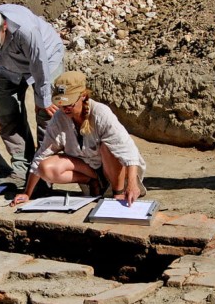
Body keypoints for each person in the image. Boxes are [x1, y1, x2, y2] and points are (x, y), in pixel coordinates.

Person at [0, 3, 65, 186]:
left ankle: (43, 171)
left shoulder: (26, 29)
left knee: (47, 116)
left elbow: (38, 63)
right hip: (8, 65)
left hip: (47, 61)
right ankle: (21, 169)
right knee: (6, 113)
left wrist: (43, 98)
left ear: (4, 27)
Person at [10, 71, 146, 207]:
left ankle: (118, 192)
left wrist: (133, 184)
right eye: (61, 104)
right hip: (88, 167)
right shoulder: (59, 118)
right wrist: (27, 193)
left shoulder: (101, 113)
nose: (65, 108)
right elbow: (41, 154)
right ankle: (93, 181)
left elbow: (128, 150)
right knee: (44, 167)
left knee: (108, 146)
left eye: (69, 104)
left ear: (83, 96)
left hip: (117, 170)